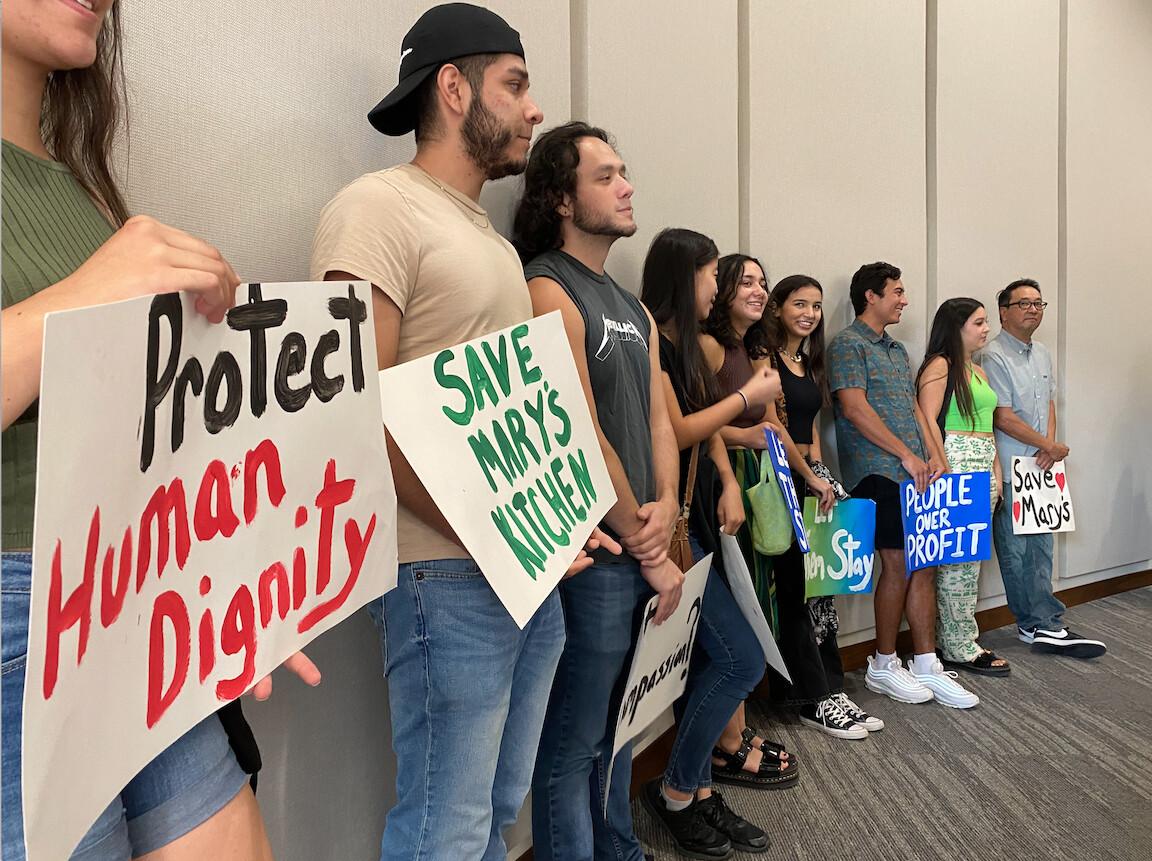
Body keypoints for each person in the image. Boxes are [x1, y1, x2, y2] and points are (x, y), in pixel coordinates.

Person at [1, 1, 318, 858]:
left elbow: (138, 439)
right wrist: (94, 289)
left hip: (128, 595)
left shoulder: (79, 188)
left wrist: (222, 584)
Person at [311, 6, 608, 859]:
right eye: (515, 85)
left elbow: (509, 415)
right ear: (453, 88)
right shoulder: (377, 209)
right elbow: (356, 407)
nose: (533, 109)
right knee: (448, 822)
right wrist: (494, 533)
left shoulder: (487, 238)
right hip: (444, 572)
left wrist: (559, 510)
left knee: (496, 807)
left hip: (527, 570)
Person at [512, 124, 690, 861]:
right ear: (560, 197)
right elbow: (578, 425)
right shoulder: (546, 285)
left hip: (645, 543)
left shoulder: (633, 304)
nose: (626, 187)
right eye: (606, 175)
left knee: (622, 727)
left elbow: (658, 419)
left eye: (625, 171)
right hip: (599, 553)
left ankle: (619, 848)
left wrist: (669, 512)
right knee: (574, 743)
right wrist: (643, 539)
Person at [638, 228, 792, 856]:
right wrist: (747, 398)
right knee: (739, 660)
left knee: (714, 661)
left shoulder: (686, 344)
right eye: (712, 276)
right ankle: (677, 790)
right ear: (687, 278)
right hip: (671, 526)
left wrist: (728, 481)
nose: (718, 289)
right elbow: (680, 428)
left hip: (698, 515)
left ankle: (698, 792)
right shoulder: (659, 341)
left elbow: (704, 438)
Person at [739, 268, 886, 736]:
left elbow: (811, 430)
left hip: (811, 480)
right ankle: (811, 696)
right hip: (783, 480)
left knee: (822, 592)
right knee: (797, 592)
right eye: (800, 304)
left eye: (817, 306)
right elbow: (773, 429)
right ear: (778, 307)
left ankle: (830, 685)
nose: (810, 314)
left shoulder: (808, 361)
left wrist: (824, 477)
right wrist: (807, 477)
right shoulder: (765, 356)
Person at [827, 262, 979, 709]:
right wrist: (905, 455)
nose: (904, 300)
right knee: (896, 564)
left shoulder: (896, 351)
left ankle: (926, 660)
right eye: (896, 291)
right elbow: (855, 409)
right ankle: (883, 663)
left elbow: (916, 410)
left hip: (919, 472)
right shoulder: (847, 345)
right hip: (877, 472)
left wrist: (937, 456)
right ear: (870, 296)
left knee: (925, 564)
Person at [981, 279, 1106, 658]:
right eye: (1024, 304)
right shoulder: (992, 356)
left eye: (1038, 303)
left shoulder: (1043, 354)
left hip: (1040, 465)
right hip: (1010, 464)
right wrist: (1046, 445)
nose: (1033, 310)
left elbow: (1049, 403)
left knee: (1043, 545)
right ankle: (1034, 623)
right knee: (1016, 549)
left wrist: (1049, 446)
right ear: (1004, 311)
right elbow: (1001, 417)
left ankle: (1046, 619)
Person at [915, 298, 1009, 676]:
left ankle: (958, 638)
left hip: (982, 464)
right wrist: (945, 466)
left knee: (969, 561)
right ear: (956, 328)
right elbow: (927, 419)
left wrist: (997, 471)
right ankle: (958, 645)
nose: (986, 329)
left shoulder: (978, 369)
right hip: (957, 464)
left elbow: (987, 426)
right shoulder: (942, 365)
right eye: (979, 322)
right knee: (957, 562)